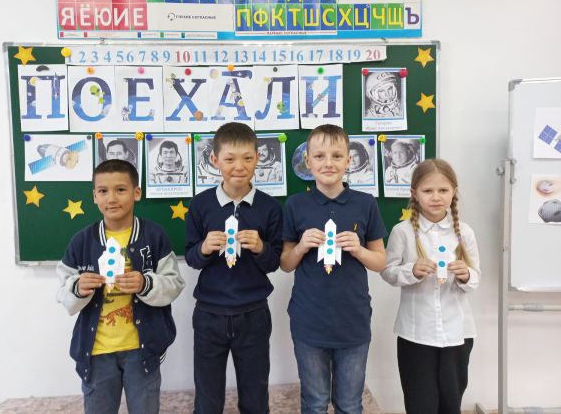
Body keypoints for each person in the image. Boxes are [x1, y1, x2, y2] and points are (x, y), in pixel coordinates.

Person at [56, 159, 186, 414]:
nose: (112, 198)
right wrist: (78, 288)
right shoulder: (82, 241)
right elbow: (63, 292)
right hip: (96, 351)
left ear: (136, 193)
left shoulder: (154, 235)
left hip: (142, 351)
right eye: (103, 191)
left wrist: (145, 283)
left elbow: (174, 283)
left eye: (121, 190)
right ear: (94, 196)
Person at [280, 124, 387, 414]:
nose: (328, 163)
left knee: (350, 404)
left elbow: (380, 262)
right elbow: (285, 264)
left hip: (353, 321)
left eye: (337, 156)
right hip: (308, 321)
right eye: (320, 156)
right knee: (314, 402)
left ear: (349, 160)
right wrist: (301, 246)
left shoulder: (366, 203)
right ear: (308, 162)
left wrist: (359, 250)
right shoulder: (295, 205)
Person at [185, 122, 283, 414]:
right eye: (229, 159)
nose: (239, 166)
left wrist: (261, 247)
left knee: (255, 396)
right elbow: (190, 257)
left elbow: (275, 262)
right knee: (208, 398)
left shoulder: (269, 207)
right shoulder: (200, 205)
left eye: (247, 158)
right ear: (215, 160)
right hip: (209, 313)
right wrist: (203, 248)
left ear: (258, 158)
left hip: (253, 313)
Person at [381, 159, 480, 414]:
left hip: (457, 332)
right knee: (420, 403)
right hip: (416, 333)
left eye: (443, 190)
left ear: (454, 191)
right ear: (414, 193)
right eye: (428, 191)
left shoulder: (465, 232)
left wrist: (466, 275)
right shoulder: (402, 232)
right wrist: (411, 271)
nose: (436, 197)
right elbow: (388, 271)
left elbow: (476, 278)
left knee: (451, 402)